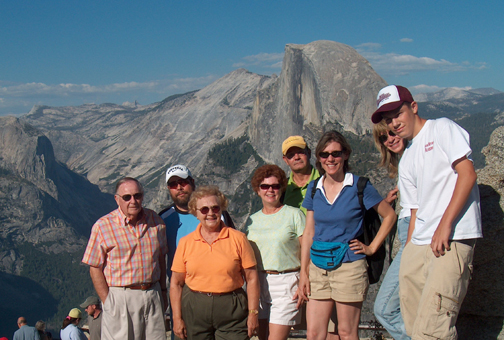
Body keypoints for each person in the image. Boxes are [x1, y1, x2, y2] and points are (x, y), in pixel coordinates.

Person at [371, 84, 483, 339]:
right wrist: (409, 251)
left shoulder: (442, 128)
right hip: (418, 245)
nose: (394, 123)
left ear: (413, 107)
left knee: (434, 329)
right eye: (389, 120)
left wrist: (446, 225)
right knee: (412, 326)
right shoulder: (408, 156)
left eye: (398, 114)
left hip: (451, 239)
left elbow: (467, 174)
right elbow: (414, 209)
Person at [295, 131, 396, 340]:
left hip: (349, 267)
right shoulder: (314, 188)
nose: (330, 159)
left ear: (346, 155)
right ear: (319, 159)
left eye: (336, 153)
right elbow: (309, 232)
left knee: (346, 332)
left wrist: (372, 247)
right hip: (318, 267)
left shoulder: (360, 186)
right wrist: (304, 272)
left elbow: (389, 216)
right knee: (313, 333)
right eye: (324, 154)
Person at [82, 177, 169, 340]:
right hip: (121, 297)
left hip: (153, 294)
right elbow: (94, 267)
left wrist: (163, 292)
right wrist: (108, 302)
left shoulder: (156, 221)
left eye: (137, 195)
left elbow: (161, 259)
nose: (133, 201)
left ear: (142, 196)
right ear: (117, 199)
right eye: (127, 197)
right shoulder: (103, 226)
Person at [170, 185, 260, 340]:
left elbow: (252, 278)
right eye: (204, 209)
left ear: (221, 209)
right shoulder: (186, 243)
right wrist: (177, 318)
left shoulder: (238, 239)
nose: (210, 213)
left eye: (215, 208)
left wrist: (253, 313)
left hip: (232, 309)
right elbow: (176, 283)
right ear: (196, 213)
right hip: (194, 308)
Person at [246, 164, 306, 340]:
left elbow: (306, 250)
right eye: (265, 186)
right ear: (258, 190)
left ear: (282, 188)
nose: (270, 190)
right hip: (258, 284)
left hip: (286, 283)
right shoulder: (252, 220)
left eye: (275, 186)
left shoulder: (294, 215)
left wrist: (304, 278)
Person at [372, 121, 410, 340]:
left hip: (414, 241)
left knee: (385, 309)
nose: (390, 139)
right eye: (384, 138)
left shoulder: (416, 157)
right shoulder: (405, 162)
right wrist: (388, 203)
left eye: (393, 133)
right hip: (407, 239)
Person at [281, 136, 320, 215]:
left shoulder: (326, 181)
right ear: (285, 160)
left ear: (309, 153)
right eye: (291, 155)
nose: (296, 157)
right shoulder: (282, 189)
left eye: (300, 152)